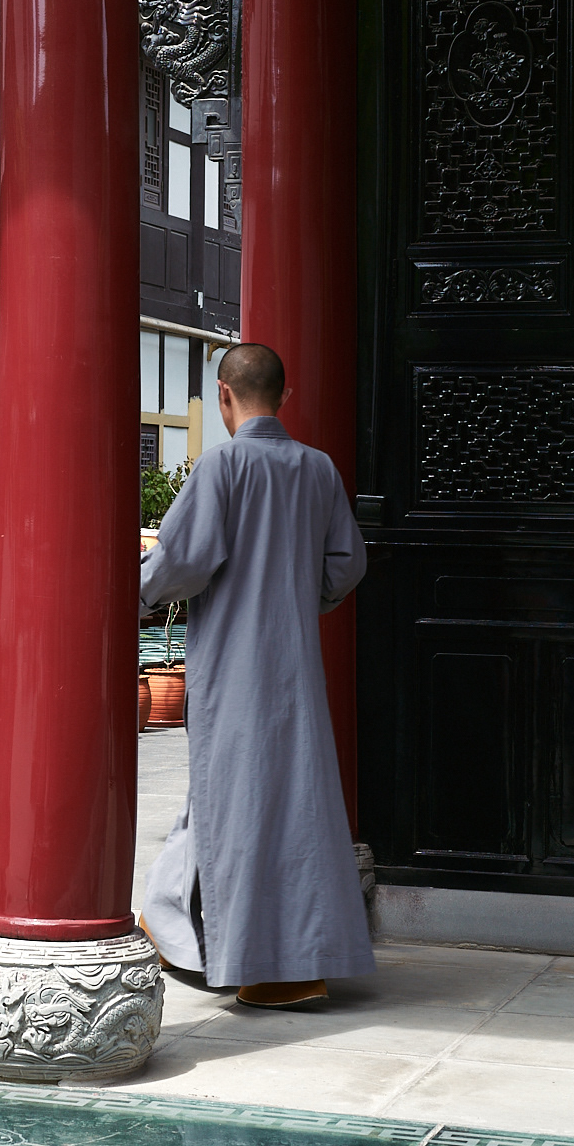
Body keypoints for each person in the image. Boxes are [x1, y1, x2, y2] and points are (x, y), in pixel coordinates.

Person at [137, 341, 371, 1010]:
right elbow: (345, 566)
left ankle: (262, 964)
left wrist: (134, 594)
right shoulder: (317, 469)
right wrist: (301, 600)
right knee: (294, 805)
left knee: (233, 803)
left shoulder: (221, 467)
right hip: (293, 662)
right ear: (285, 396)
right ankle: (281, 955)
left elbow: (184, 560)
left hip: (232, 663)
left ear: (223, 396)